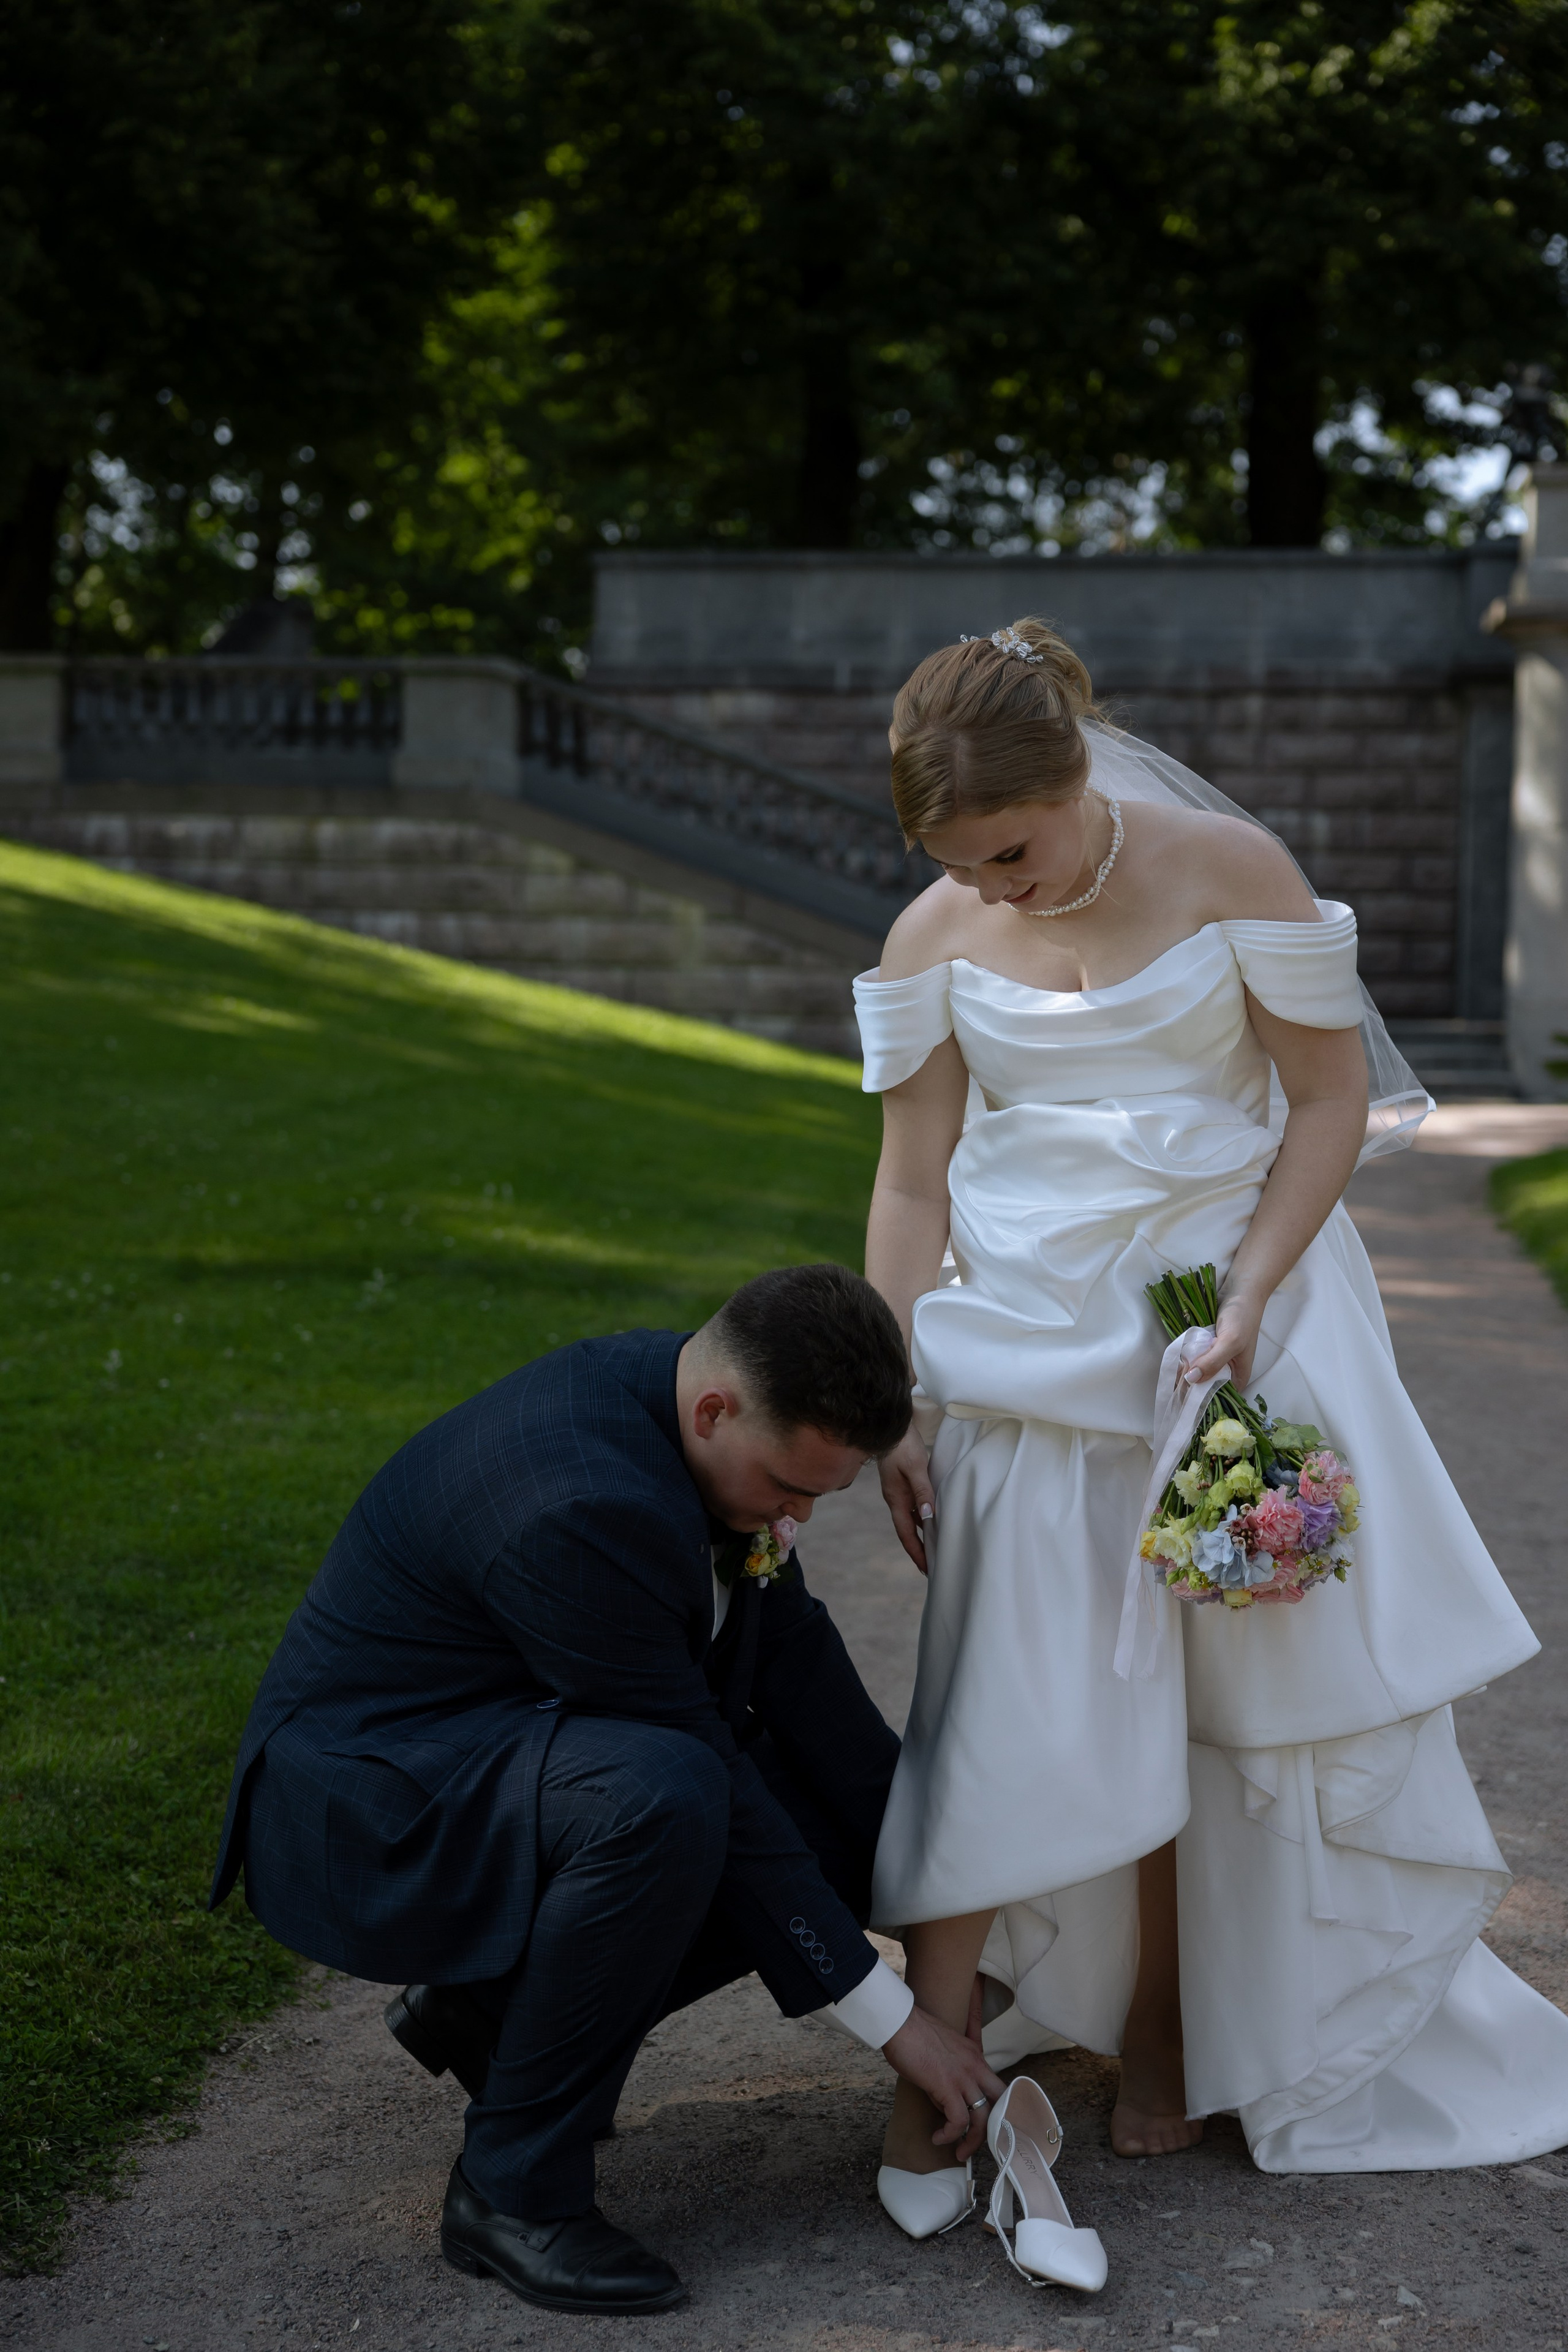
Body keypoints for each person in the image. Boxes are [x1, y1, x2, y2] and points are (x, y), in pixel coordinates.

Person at [856, 620, 1568, 2253]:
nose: (998, 893)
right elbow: (910, 1181)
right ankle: (936, 2045)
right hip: (1027, 1338)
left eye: (1014, 853)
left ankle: (1171, 2015)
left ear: (1075, 778)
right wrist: (900, 1390)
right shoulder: (932, 931)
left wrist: (1246, 1295)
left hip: (1228, 1319)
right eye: (962, 866)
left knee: (1222, 1703)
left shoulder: (1232, 868)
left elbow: (1325, 1102)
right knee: (992, 1682)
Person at [209, 1263, 1005, 2316]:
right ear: (716, 1409)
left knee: (825, 1814)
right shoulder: (583, 1504)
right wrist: (899, 2020)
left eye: (820, 1494)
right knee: (667, 1798)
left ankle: (494, 2016)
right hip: (369, 1803)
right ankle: (510, 2191)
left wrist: (947, 1863)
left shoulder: (693, 1412)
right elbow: (708, 1775)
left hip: (498, 1749)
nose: (799, 1517)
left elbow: (800, 1673)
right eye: (788, 1489)